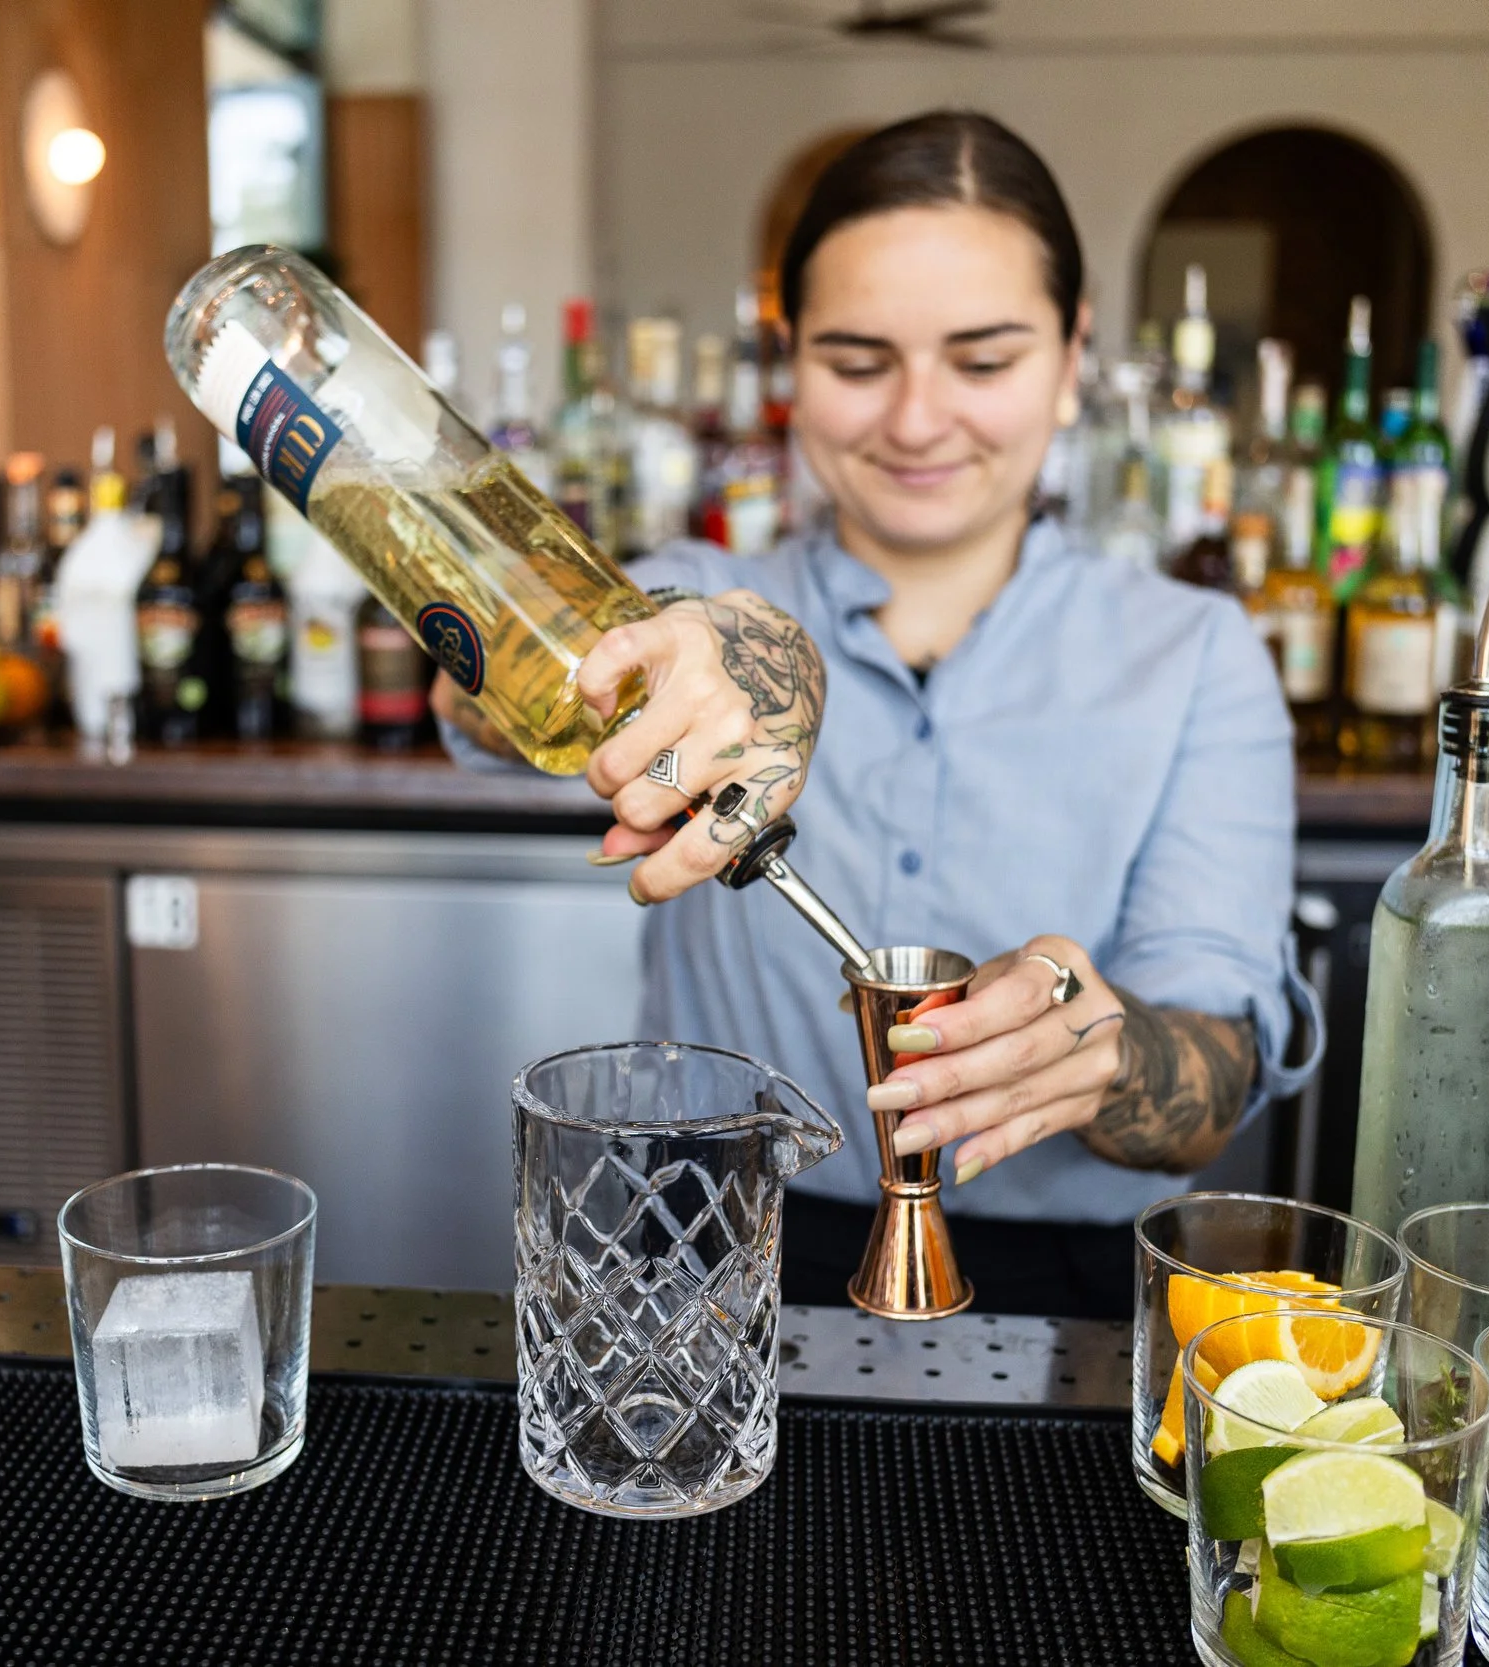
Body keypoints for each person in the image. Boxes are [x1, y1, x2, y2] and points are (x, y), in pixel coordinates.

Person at [441, 110, 1319, 1319]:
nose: (915, 420)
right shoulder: (689, 610)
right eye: (858, 363)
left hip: (1060, 1299)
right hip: (707, 1256)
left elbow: (1211, 1082)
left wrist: (1104, 1051)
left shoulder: (1193, 655)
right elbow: (474, 683)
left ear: (1071, 360)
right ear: (788, 363)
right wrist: (690, 644)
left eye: (983, 360)